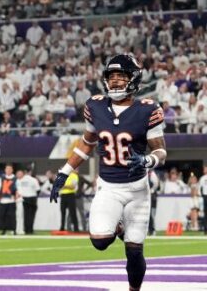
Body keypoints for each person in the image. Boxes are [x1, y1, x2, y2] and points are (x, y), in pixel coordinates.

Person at [50, 54, 167, 291]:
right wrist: (64, 172)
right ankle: (119, 227)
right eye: (111, 77)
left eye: (121, 76)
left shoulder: (148, 110)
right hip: (108, 186)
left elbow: (161, 152)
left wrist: (147, 160)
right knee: (100, 241)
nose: (114, 82)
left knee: (134, 252)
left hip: (137, 190)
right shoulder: (95, 105)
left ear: (133, 79)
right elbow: (86, 143)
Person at [0, 164, 19, 235]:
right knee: (2, 216)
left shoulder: (15, 178)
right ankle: (4, 230)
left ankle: (14, 230)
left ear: (12, 170)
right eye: (7, 169)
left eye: (10, 169)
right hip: (3, 200)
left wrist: (17, 194)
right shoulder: (2, 177)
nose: (8, 170)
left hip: (11, 200)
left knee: (12, 216)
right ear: (5, 170)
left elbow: (18, 188)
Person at [17, 169, 40, 235]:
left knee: (25, 215)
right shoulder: (33, 179)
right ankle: (30, 230)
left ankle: (26, 229)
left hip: (24, 198)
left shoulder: (19, 180)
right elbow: (38, 189)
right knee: (31, 215)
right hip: (32, 197)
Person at [200, 166, 207, 234]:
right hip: (205, 196)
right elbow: (200, 187)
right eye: (204, 169)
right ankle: (205, 229)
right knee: (206, 213)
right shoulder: (202, 178)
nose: (205, 170)